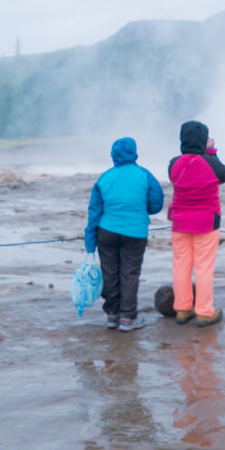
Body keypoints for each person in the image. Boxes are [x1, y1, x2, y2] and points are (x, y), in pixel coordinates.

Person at [85, 137, 164, 331]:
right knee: (130, 273)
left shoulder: (105, 178)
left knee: (109, 272)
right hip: (135, 232)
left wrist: (90, 243)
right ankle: (128, 318)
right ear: (134, 152)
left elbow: (94, 212)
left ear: (113, 155)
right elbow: (156, 203)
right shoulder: (144, 175)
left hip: (106, 232)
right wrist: (140, 209)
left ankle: (112, 316)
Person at [167, 122, 225, 327]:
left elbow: (174, 176)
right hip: (206, 222)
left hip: (180, 222)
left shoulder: (174, 163)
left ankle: (182, 309)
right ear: (204, 140)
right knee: (204, 267)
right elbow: (224, 176)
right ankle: (204, 312)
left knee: (181, 265)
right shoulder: (210, 162)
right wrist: (211, 151)